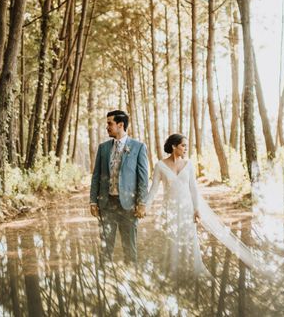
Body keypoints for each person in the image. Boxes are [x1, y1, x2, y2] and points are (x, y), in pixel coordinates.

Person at [144, 134, 209, 278]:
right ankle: (172, 271)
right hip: (170, 209)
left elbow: (193, 188)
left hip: (187, 209)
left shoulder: (189, 165)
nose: (186, 148)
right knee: (171, 240)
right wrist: (145, 207)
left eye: (186, 146)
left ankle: (189, 270)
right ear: (174, 146)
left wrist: (196, 208)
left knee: (188, 239)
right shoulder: (160, 165)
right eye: (183, 145)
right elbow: (154, 189)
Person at [89, 110, 149, 263]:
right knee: (105, 247)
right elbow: (96, 176)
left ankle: (131, 278)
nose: (107, 127)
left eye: (110, 123)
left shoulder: (138, 147)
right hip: (106, 204)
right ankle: (105, 280)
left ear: (120, 125)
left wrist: (142, 203)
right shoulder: (103, 148)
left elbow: (143, 179)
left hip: (128, 206)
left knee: (130, 247)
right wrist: (93, 201)